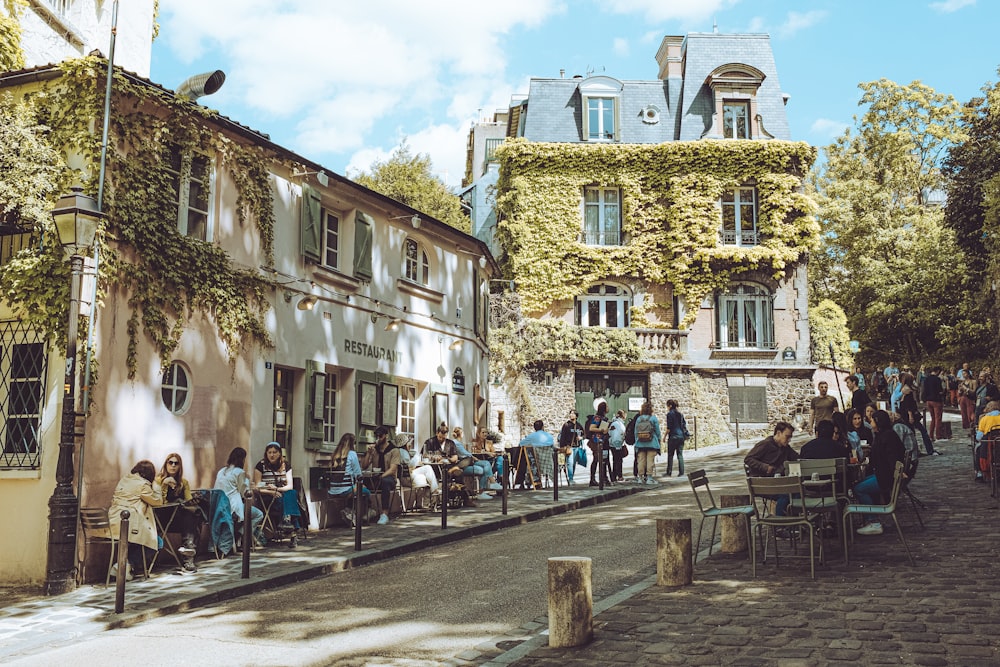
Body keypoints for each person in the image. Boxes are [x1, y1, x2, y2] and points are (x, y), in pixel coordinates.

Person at [109, 460, 163, 581]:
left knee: (137, 542)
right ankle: (125, 564)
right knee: (157, 543)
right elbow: (157, 501)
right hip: (131, 524)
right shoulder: (143, 485)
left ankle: (125, 566)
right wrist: (157, 485)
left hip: (113, 523)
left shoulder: (124, 479)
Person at [853, 410, 905, 535]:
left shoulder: (887, 436)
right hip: (882, 474)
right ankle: (869, 518)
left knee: (859, 489)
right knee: (858, 483)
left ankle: (873, 521)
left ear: (878, 422)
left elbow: (892, 456)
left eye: (872, 420)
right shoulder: (883, 434)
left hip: (885, 477)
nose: (870, 422)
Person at [154, 453, 203, 572]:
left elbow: (188, 500)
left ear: (180, 466)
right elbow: (159, 502)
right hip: (162, 519)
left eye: (176, 463)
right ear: (166, 464)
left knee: (192, 515)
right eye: (170, 462)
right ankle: (188, 556)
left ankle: (188, 552)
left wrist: (193, 500)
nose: (173, 466)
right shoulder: (158, 481)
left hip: (179, 520)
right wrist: (165, 484)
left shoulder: (183, 483)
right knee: (190, 519)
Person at [743, 422, 797, 515]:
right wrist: (764, 467)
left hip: (776, 483)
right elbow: (748, 459)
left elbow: (797, 458)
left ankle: (794, 521)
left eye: (790, 437)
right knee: (786, 495)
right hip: (762, 484)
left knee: (797, 491)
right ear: (779, 433)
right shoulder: (765, 444)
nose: (789, 440)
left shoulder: (785, 448)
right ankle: (780, 524)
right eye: (787, 436)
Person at [215, 447, 264, 548]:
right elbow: (244, 493)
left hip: (220, 506)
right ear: (242, 459)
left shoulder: (221, 471)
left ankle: (240, 535)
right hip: (234, 507)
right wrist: (247, 480)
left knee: (248, 514)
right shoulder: (239, 472)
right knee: (259, 514)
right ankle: (242, 535)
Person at [253, 442, 298, 540]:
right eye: (269, 452)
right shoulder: (261, 465)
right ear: (266, 454)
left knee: (291, 493)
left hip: (282, 493)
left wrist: (277, 489)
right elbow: (257, 487)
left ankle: (287, 521)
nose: (272, 455)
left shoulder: (286, 465)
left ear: (279, 453)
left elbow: (290, 486)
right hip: (267, 496)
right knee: (289, 498)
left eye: (274, 452)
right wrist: (272, 492)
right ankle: (291, 527)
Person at [328, 433, 373, 526]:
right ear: (352, 444)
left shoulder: (334, 454)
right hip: (346, 490)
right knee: (365, 491)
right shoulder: (352, 454)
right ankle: (356, 513)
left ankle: (350, 512)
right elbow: (358, 474)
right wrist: (361, 484)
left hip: (332, 491)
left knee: (358, 490)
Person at [362, 425, 401, 525]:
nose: (378, 438)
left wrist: (381, 476)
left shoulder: (394, 450)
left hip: (389, 478)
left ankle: (384, 514)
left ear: (386, 436)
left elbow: (393, 469)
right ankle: (368, 510)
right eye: (377, 436)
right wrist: (368, 453)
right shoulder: (375, 450)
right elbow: (365, 466)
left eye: (381, 436)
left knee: (385, 482)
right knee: (360, 482)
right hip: (375, 477)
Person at [456, 426, 503, 499]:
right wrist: (479, 453)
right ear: (478, 433)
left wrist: (487, 452)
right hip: (476, 462)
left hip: (484, 462)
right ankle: (490, 484)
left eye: (486, 432)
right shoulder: (474, 442)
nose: (485, 434)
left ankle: (482, 491)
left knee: (488, 466)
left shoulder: (489, 442)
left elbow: (493, 453)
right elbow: (471, 451)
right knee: (486, 466)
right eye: (483, 432)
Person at [633, 401, 661, 485]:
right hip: (651, 442)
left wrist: (636, 441)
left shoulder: (639, 419)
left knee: (641, 461)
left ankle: (640, 477)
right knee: (650, 461)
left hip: (640, 443)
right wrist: (659, 440)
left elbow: (635, 431)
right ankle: (649, 478)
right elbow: (658, 432)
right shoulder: (653, 418)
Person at [585, 401, 612, 486]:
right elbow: (591, 428)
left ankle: (604, 478)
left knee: (604, 460)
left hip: (603, 441)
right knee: (596, 459)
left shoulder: (604, 418)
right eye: (607, 406)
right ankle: (592, 479)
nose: (608, 408)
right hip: (597, 441)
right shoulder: (597, 418)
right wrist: (602, 430)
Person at [975, 400, 1000, 482]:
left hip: (989, 445)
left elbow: (979, 437)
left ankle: (980, 473)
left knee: (977, 449)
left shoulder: (984, 419)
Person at [558, 410, 584, 484]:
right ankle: (571, 479)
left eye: (573, 414)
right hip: (569, 446)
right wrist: (562, 447)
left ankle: (571, 477)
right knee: (570, 462)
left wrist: (581, 438)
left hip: (577, 446)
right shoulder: (566, 425)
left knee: (574, 463)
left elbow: (583, 434)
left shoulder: (579, 425)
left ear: (576, 416)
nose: (571, 415)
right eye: (570, 413)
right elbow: (562, 436)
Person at [664, 399, 688, 477]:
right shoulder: (680, 414)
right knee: (680, 454)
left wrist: (664, 436)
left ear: (670, 406)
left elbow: (669, 428)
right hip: (681, 436)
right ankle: (681, 472)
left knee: (670, 455)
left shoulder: (669, 414)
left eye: (667, 405)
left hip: (673, 436)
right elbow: (684, 425)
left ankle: (669, 472)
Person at [922, 367, 945, 441]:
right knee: (938, 418)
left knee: (933, 419)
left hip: (928, 400)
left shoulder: (926, 379)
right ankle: (938, 435)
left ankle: (931, 435)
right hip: (936, 400)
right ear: (937, 371)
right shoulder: (937, 379)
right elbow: (940, 390)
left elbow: (924, 390)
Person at [607, 410, 627, 482]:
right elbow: (617, 435)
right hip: (617, 444)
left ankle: (614, 476)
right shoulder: (618, 424)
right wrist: (618, 445)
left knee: (616, 460)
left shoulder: (615, 423)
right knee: (618, 460)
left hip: (613, 444)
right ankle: (618, 476)